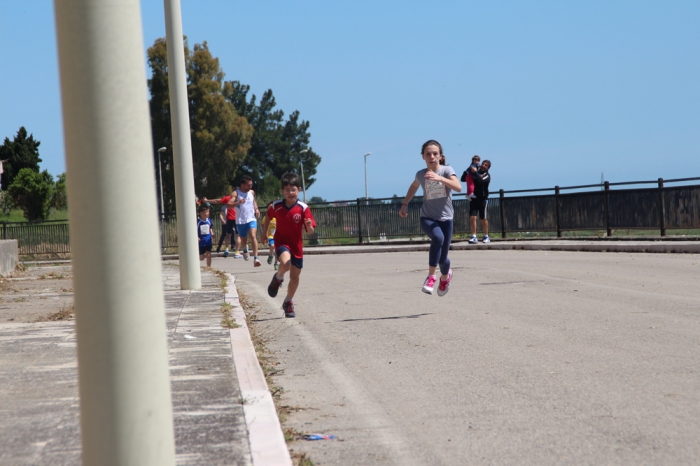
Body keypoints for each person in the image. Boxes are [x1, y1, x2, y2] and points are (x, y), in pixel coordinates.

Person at [399, 139, 462, 296]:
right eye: (428, 154)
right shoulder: (421, 174)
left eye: (435, 154)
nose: (432, 157)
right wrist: (405, 204)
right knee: (438, 238)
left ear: (441, 156)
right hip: (427, 217)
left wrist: (440, 178)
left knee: (443, 260)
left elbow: (459, 187)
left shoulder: (447, 171)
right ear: (423, 157)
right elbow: (414, 186)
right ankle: (431, 277)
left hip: (446, 219)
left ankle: (445, 277)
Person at [262, 173, 316, 318]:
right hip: (282, 242)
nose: (290, 193)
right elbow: (268, 215)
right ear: (282, 191)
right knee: (286, 264)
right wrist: (264, 233)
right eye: (287, 190)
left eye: (293, 190)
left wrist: (309, 226)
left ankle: (288, 301)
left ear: (299, 190)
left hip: (296, 246)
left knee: (295, 278)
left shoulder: (303, 208)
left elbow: (310, 231)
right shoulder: (277, 206)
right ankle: (278, 278)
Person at [232, 175, 262, 266]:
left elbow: (253, 201)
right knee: (243, 240)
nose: (250, 187)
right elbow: (229, 204)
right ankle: (245, 249)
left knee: (253, 236)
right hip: (241, 221)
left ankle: (256, 258)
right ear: (242, 185)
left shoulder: (251, 192)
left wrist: (256, 209)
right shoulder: (236, 193)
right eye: (248, 185)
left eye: (251, 184)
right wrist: (238, 202)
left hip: (251, 218)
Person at [207, 192, 241, 258]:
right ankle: (237, 251)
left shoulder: (228, 198)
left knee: (228, 235)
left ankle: (226, 249)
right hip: (237, 218)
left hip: (229, 218)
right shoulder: (241, 198)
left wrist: (207, 200)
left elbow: (217, 201)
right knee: (238, 235)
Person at [468, 159, 492, 244]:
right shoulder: (475, 173)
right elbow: (464, 179)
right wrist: (467, 172)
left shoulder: (487, 175)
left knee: (483, 218)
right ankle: (474, 236)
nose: (483, 165)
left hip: (483, 200)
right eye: (483, 164)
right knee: (472, 217)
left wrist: (475, 173)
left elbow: (480, 181)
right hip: (474, 199)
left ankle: (486, 235)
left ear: (488, 168)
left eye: (486, 165)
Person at [264, 201, 279, 270]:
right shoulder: (266, 218)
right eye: (269, 207)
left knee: (277, 250)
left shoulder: (277, 216)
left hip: (278, 236)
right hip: (270, 236)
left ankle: (276, 263)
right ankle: (271, 255)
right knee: (272, 246)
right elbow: (264, 227)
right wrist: (265, 235)